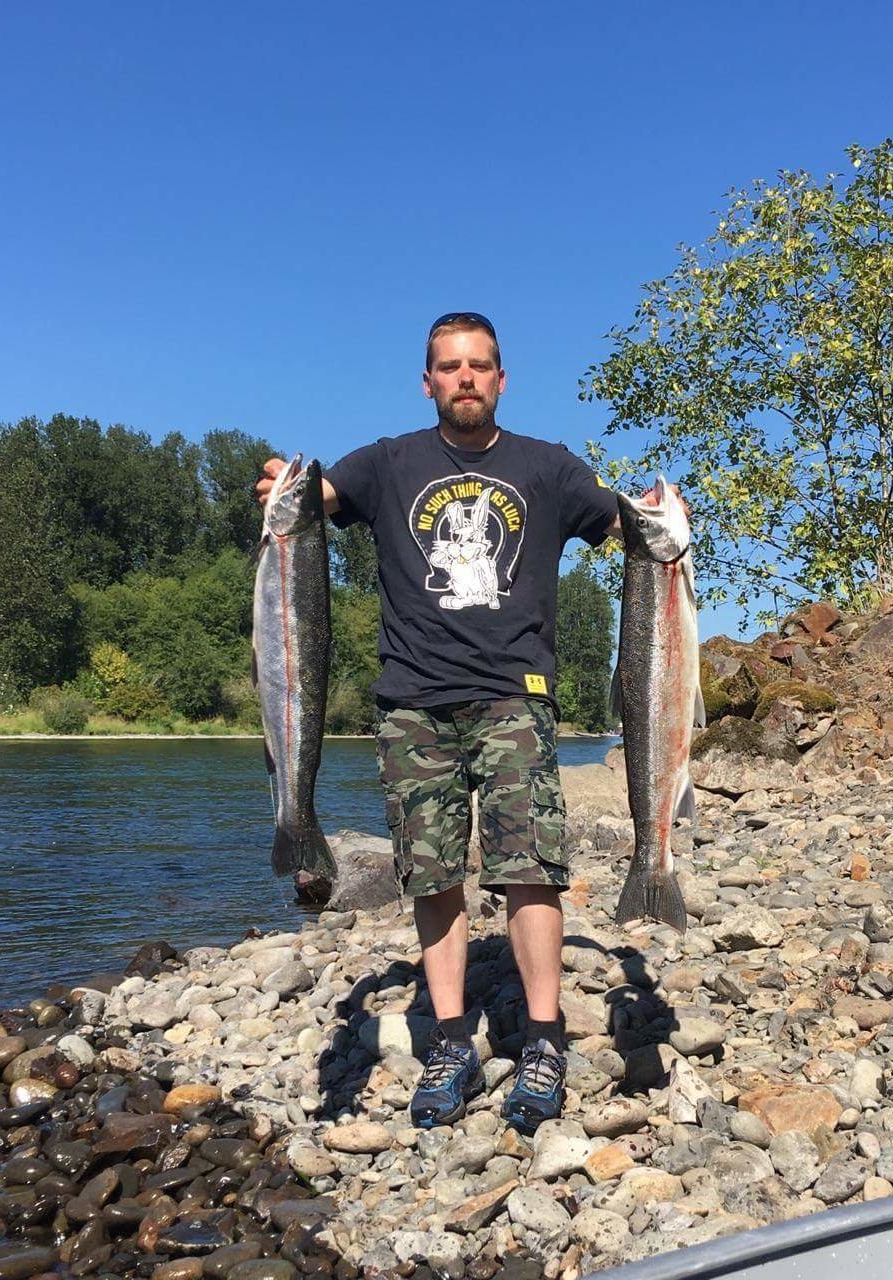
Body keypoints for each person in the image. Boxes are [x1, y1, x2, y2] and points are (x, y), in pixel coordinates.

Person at [258, 312, 635, 1135]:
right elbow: (316, 497)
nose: (465, 377)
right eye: (449, 366)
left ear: (502, 379)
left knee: (529, 866)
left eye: (480, 365)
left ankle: (542, 1037)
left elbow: (622, 529)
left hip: (514, 694)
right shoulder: (388, 462)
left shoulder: (548, 467)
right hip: (412, 701)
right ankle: (453, 1039)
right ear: (428, 381)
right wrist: (286, 485)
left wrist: (653, 526)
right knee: (431, 877)